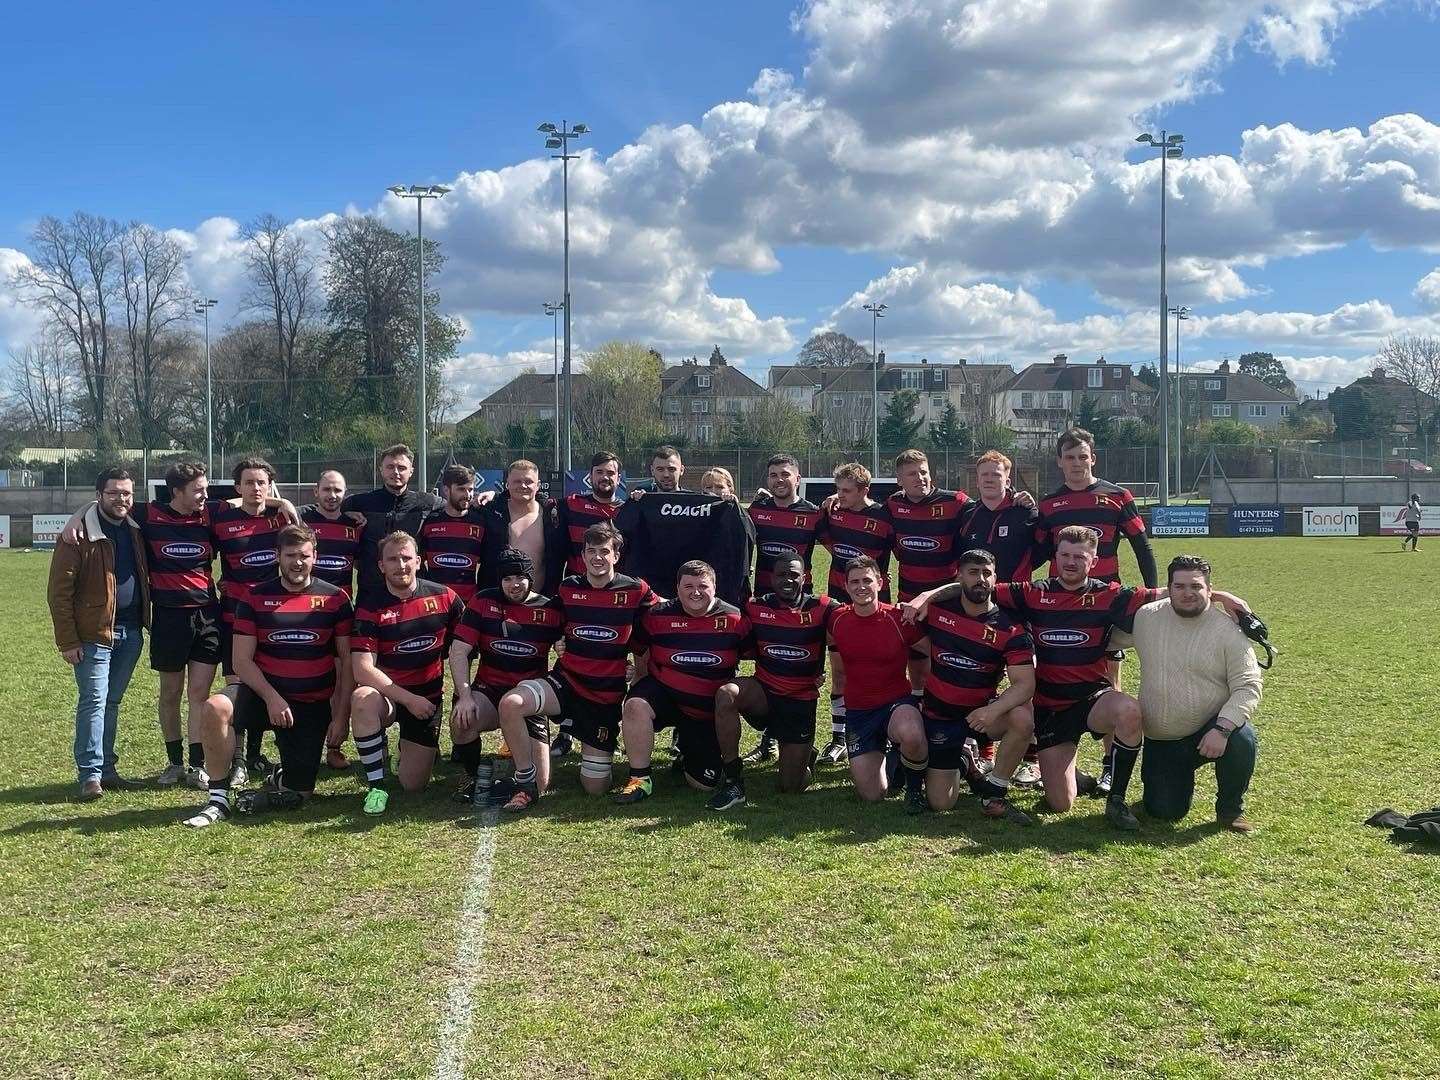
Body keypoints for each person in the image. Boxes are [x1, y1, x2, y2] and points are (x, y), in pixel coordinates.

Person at [906, 526, 1176, 830]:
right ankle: (1068, 773)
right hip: (1049, 709)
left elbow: (1173, 593)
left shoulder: (1110, 594)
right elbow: (977, 587)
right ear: (1055, 556)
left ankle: (1116, 800)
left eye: (1079, 556)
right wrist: (927, 596)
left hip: (1092, 700)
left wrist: (1220, 596)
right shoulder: (1034, 593)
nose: (1071, 562)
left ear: (1094, 559)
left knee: (1128, 711)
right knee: (1061, 803)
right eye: (1065, 555)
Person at [182, 525, 353, 828]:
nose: (297, 562)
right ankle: (218, 799)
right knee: (214, 708)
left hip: (310, 703)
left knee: (299, 793)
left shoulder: (336, 599)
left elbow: (346, 665)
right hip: (263, 696)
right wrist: (272, 697)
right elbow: (241, 661)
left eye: (304, 555)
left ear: (315, 557)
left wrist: (339, 718)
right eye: (290, 555)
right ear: (277, 556)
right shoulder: (255, 597)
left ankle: (282, 775)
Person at [494, 522, 657, 812]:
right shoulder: (569, 587)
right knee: (512, 702)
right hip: (566, 683)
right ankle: (525, 781)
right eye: (591, 551)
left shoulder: (635, 589)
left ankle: (586, 743)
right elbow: (549, 619)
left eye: (604, 551)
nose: (597, 557)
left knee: (594, 787)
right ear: (582, 555)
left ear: (616, 556)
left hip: (603, 697)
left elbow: (663, 612)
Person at [1035, 427, 1157, 794]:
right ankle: (1052, 757)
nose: (1076, 463)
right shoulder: (1048, 504)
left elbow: (1142, 545)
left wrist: (1152, 592)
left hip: (1106, 606)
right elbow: (1036, 554)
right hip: (1060, 607)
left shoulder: (1117, 496)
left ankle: (1109, 766)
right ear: (1059, 462)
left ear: (1093, 458)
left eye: (1082, 456)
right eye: (1069, 457)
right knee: (1053, 678)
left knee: (1109, 681)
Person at [1108, 555, 1262, 832]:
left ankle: (1230, 810)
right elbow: (1107, 638)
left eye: (1196, 586)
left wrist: (1222, 730)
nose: (1187, 593)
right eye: (1179, 587)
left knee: (1243, 737)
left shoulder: (1228, 629)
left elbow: (1248, 686)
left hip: (1211, 729)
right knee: (1164, 812)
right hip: (1163, 738)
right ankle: (1164, 791)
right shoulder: (1146, 617)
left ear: (1209, 589)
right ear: (1169, 588)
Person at [47, 468, 150, 799]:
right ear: (99, 495)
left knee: (112, 702)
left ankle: (107, 770)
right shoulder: (77, 536)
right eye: (114, 493)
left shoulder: (136, 529)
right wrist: (68, 640)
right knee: (93, 700)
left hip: (131, 633)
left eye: (127, 494)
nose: (121, 499)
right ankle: (90, 775)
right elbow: (58, 593)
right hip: (93, 635)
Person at [913, 549, 1036, 823]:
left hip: (980, 716)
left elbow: (1025, 685)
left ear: (996, 579)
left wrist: (993, 711)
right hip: (939, 715)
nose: (980, 579)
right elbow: (906, 633)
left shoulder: (1011, 628)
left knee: (1022, 718)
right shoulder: (936, 611)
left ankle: (995, 790)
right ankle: (965, 760)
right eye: (972, 572)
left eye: (986, 573)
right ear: (959, 577)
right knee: (941, 804)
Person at [349, 531, 467, 816]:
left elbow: (466, 645)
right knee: (362, 697)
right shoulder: (370, 605)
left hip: (427, 698)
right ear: (381, 566)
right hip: (388, 696)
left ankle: (402, 750)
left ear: (418, 561)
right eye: (392, 559)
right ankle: (377, 785)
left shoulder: (445, 597)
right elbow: (362, 668)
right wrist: (408, 699)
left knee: (413, 786)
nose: (400, 565)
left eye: (405, 559)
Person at [616, 560, 749, 804]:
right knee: (635, 704)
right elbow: (631, 644)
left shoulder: (735, 618)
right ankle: (639, 780)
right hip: (664, 695)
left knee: (703, 784)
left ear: (715, 587)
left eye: (703, 585)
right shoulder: (657, 616)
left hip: (704, 710)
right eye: (688, 586)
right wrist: (628, 668)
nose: (695, 592)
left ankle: (689, 752)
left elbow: (760, 652)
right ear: (677, 588)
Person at [710, 554, 835, 809]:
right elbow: (722, 619)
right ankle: (733, 778)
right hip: (764, 693)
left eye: (794, 575)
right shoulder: (755, 606)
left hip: (800, 699)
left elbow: (856, 616)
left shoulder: (823, 606)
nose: (787, 580)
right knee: (726, 693)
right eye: (781, 575)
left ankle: (804, 757)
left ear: (805, 577)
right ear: (771, 578)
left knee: (790, 788)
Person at [448, 548, 564, 802]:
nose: (514, 585)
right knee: (461, 720)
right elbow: (458, 651)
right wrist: (465, 696)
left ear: (530, 579)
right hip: (489, 691)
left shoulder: (550, 609)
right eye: (507, 579)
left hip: (527, 702)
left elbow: (570, 648)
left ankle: (521, 765)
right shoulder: (483, 602)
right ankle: (471, 773)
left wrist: (564, 646)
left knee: (540, 786)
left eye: (520, 578)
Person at [209, 457, 295, 785]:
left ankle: (256, 753)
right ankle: (239, 760)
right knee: (238, 686)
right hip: (233, 617)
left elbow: (302, 541)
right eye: (249, 482)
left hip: (271, 619)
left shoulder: (280, 518)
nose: (256, 488)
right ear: (237, 487)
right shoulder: (222, 519)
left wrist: (283, 501)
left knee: (264, 684)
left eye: (261, 482)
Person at [957, 450, 1042, 780]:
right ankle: (985, 750)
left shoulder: (1025, 512)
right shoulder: (967, 515)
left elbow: (1044, 551)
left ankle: (1032, 757)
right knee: (982, 674)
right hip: (979, 608)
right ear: (976, 480)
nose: (990, 479)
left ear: (1008, 477)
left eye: (996, 474)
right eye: (984, 475)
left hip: (1017, 608)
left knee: (1025, 679)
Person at [827, 556, 929, 813]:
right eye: (855, 582)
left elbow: (932, 651)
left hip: (896, 703)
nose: (862, 587)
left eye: (867, 580)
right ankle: (893, 758)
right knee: (872, 795)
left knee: (912, 733)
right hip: (860, 712)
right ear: (846, 586)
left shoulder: (899, 618)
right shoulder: (837, 619)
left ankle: (914, 790)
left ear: (880, 582)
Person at [743, 453, 824, 765]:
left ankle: (801, 741)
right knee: (767, 667)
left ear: (797, 478)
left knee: (800, 673)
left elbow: (842, 544)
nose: (779, 480)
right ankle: (769, 741)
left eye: (785, 474)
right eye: (774, 475)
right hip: (763, 602)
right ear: (767, 480)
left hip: (799, 605)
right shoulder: (756, 510)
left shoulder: (815, 514)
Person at [816, 462, 895, 765]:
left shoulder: (884, 516)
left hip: (877, 606)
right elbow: (825, 540)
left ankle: (883, 733)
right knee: (839, 671)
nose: (840, 495)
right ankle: (838, 738)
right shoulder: (833, 511)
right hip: (838, 603)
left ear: (865, 490)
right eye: (838, 490)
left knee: (881, 670)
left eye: (847, 490)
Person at [300, 469, 364, 768]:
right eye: (326, 489)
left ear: (345, 493)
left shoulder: (354, 525)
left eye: (338, 490)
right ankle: (304, 742)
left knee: (342, 678)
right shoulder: (302, 520)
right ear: (316, 491)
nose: (332, 495)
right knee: (310, 678)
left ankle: (335, 744)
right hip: (304, 614)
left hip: (340, 612)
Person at [341, 443, 444, 596]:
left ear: (411, 472)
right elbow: (324, 509)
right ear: (381, 470)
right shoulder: (359, 502)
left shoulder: (427, 502)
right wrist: (347, 514)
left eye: (401, 468)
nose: (395, 472)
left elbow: (459, 507)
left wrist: (487, 497)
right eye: (390, 467)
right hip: (370, 591)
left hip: (412, 591)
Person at [478, 459, 565, 595]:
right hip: (497, 601)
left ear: (538, 485)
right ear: (507, 484)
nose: (523, 486)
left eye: (529, 481)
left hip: (540, 602)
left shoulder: (553, 516)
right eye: (517, 481)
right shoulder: (491, 512)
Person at [419, 463, 487, 604]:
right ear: (446, 490)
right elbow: (418, 561)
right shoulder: (430, 522)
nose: (467, 495)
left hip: (468, 604)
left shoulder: (480, 522)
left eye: (470, 489)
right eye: (461, 489)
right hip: (435, 602)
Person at [556, 451, 625, 575]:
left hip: (614, 587)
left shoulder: (628, 511)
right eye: (599, 472)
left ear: (618, 478)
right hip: (577, 586)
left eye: (610, 473)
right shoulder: (571, 505)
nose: (604, 477)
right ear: (590, 476)